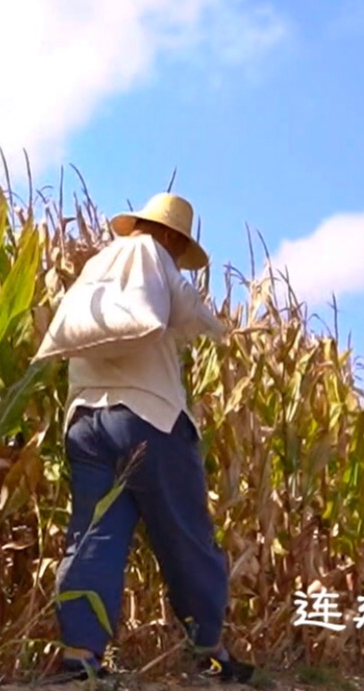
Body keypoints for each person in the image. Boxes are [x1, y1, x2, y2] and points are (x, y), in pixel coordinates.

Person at [34, 192, 255, 685]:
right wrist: (214, 322)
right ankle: (211, 651)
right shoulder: (150, 253)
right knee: (186, 536)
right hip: (146, 416)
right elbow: (186, 312)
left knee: (94, 538)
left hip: (86, 419)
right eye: (180, 250)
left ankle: (80, 656)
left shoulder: (97, 265)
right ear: (173, 236)